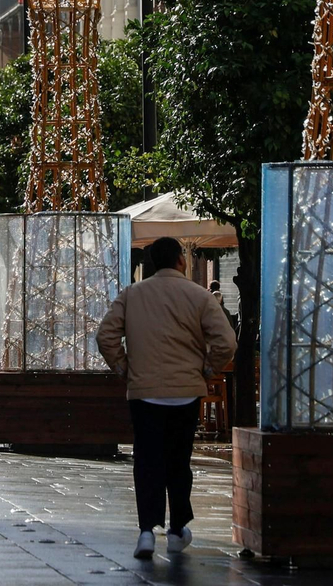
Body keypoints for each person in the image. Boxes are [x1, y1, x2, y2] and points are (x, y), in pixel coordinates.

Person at [96, 236, 236, 561]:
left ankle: (147, 530)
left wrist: (124, 367)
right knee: (178, 461)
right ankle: (177, 529)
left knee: (147, 460)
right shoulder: (199, 296)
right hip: (185, 392)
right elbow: (226, 342)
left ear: (151, 264)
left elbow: (106, 335)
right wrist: (206, 369)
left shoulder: (132, 295)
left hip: (144, 393)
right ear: (181, 260)